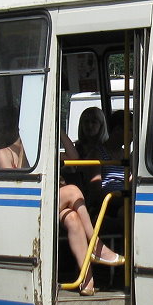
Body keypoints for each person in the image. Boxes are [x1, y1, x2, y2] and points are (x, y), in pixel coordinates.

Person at [58, 131, 124, 295]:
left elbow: (74, 159)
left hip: (56, 200)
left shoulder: (44, 150)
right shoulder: (10, 152)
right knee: (73, 191)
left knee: (73, 219)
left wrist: (58, 129)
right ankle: (96, 245)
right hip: (37, 201)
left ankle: (87, 280)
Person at [74, 107, 126, 209]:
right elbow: (95, 189)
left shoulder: (116, 150)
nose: (89, 126)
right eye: (86, 122)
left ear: (102, 125)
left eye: (94, 122)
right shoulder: (80, 150)